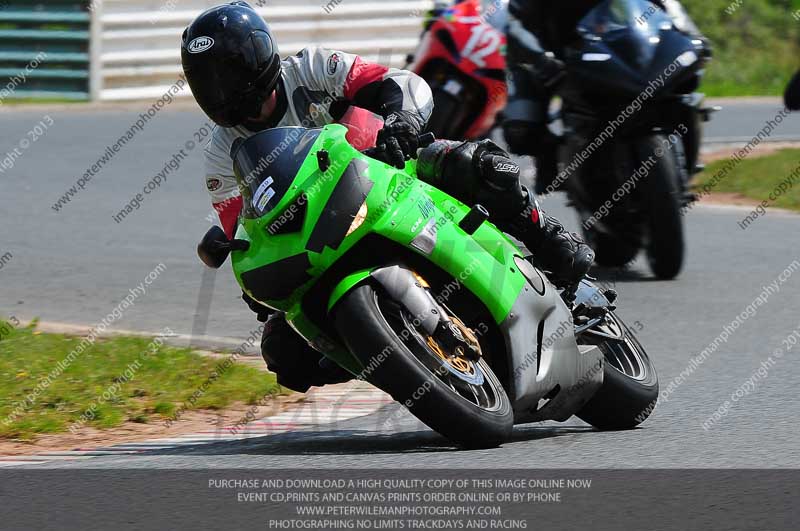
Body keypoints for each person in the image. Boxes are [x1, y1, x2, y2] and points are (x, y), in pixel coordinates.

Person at [182, 1, 594, 392]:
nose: (221, 91)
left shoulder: (309, 69)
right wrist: (251, 274)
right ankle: (392, 355)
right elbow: (242, 229)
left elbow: (396, 82)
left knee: (475, 163)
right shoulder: (221, 153)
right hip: (315, 235)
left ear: (258, 57)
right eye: (208, 83)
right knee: (283, 351)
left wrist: (400, 121)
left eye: (228, 75)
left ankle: (550, 239)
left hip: (389, 170)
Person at [503, 0, 704, 194]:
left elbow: (663, 4)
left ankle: (686, 162)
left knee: (683, 86)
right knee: (521, 129)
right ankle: (552, 164)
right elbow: (515, 23)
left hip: (605, 46)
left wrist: (688, 33)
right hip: (547, 58)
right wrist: (540, 59)